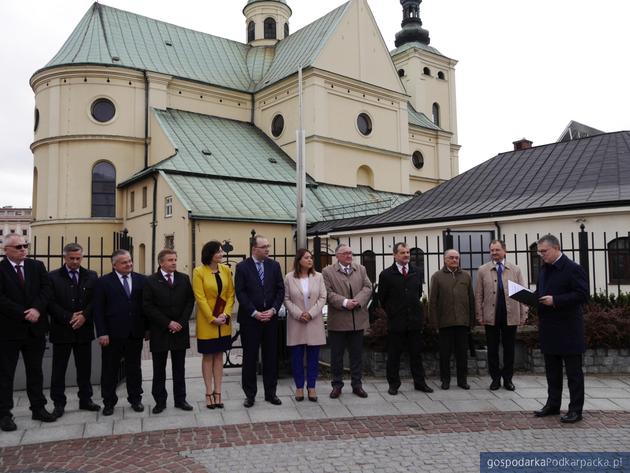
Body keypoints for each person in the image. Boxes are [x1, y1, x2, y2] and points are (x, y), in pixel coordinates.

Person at [0, 234, 56, 432]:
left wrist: (37, 309)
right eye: (18, 247)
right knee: (5, 374)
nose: (23, 249)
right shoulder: (1, 269)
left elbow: (46, 289)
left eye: (25, 245)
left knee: (36, 371)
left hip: (35, 329)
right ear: (6, 250)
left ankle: (38, 408)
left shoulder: (36, 266)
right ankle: (4, 414)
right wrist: (24, 313)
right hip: (9, 330)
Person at [533, 234, 589, 423]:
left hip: (569, 329)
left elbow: (582, 295)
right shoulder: (544, 269)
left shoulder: (573, 268)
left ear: (556, 248)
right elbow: (541, 292)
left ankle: (575, 409)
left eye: (544, 251)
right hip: (549, 328)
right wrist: (527, 298)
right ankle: (553, 405)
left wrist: (555, 300)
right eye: (539, 252)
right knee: (552, 371)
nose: (541, 255)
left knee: (574, 373)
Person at [48, 242, 100, 418]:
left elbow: (95, 300)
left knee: (84, 368)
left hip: (83, 330)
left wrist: (84, 316)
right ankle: (58, 403)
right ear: (65, 257)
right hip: (62, 329)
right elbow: (50, 303)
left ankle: (86, 399)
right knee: (59, 370)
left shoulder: (91, 276)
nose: (76, 262)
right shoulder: (53, 277)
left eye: (79, 258)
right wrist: (69, 316)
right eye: (72, 259)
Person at [93, 249, 147, 416]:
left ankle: (135, 399)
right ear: (114, 264)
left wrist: (146, 329)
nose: (129, 264)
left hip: (134, 333)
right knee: (110, 369)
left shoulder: (141, 280)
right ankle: (109, 402)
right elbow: (98, 310)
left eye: (130, 261)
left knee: (134, 368)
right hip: (112, 335)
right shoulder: (103, 282)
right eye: (124, 262)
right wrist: (102, 332)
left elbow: (145, 307)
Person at [235, 235, 285, 408]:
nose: (267, 250)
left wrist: (273, 310)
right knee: (249, 358)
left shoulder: (274, 265)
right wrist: (254, 312)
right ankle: (250, 395)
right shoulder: (242, 267)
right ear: (254, 249)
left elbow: (280, 289)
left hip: (270, 319)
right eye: (264, 247)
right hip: (251, 320)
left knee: (271, 357)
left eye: (268, 246)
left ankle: (271, 393)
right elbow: (240, 293)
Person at [143, 249, 194, 414]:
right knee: (159, 368)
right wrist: (167, 323)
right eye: (170, 260)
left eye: (175, 259)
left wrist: (181, 322)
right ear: (161, 262)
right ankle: (160, 401)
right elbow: (147, 306)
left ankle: (180, 399)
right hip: (160, 330)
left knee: (179, 368)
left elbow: (189, 301)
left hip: (180, 329)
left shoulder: (183, 278)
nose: (174, 262)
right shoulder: (150, 281)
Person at [378, 242, 433, 396]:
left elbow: (417, 293)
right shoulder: (386, 274)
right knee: (394, 355)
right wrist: (393, 312)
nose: (406, 255)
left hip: (414, 321)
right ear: (395, 255)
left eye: (408, 252)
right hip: (397, 321)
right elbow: (382, 298)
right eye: (402, 253)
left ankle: (420, 383)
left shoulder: (416, 271)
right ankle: (394, 384)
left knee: (416, 354)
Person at [475, 240, 528, 391]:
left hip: (510, 314)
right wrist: (479, 314)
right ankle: (495, 379)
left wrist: (524, 313)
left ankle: (508, 379)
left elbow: (522, 293)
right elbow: (478, 294)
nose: (494, 253)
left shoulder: (515, 269)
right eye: (492, 250)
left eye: (497, 250)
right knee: (492, 349)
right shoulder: (482, 270)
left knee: (509, 349)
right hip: (490, 315)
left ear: (505, 251)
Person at [322, 244, 372, 399]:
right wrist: (344, 302)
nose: (349, 256)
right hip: (338, 321)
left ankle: (357, 385)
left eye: (351, 253)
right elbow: (327, 293)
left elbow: (368, 287)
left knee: (356, 355)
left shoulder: (360, 269)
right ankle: (337, 385)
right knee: (336, 356)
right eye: (345, 253)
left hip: (357, 319)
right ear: (337, 256)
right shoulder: (327, 272)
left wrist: (357, 301)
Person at [193, 241, 235, 410]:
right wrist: (212, 318)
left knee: (219, 356)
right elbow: (200, 298)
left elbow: (231, 294)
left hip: (223, 321)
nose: (221, 254)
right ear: (210, 254)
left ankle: (218, 392)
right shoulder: (199, 272)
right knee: (208, 356)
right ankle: (208, 392)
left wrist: (226, 313)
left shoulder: (226, 270)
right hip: (207, 321)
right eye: (218, 252)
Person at [283, 249, 327, 402]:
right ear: (299, 260)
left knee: (313, 356)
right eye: (306, 257)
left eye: (311, 257)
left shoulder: (318, 276)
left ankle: (312, 387)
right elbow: (286, 299)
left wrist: (311, 313)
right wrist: (298, 313)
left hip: (313, 321)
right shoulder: (289, 277)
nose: (310, 260)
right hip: (297, 322)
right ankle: (299, 387)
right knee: (296, 357)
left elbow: (323, 297)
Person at [428, 249, 474, 390]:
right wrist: (434, 323)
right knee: (445, 354)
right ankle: (445, 380)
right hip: (444, 322)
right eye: (451, 258)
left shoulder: (466, 276)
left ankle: (462, 380)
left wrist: (472, 321)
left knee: (462, 354)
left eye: (457, 258)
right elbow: (432, 301)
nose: (454, 260)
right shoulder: (437, 277)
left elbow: (471, 299)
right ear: (445, 260)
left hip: (462, 322)